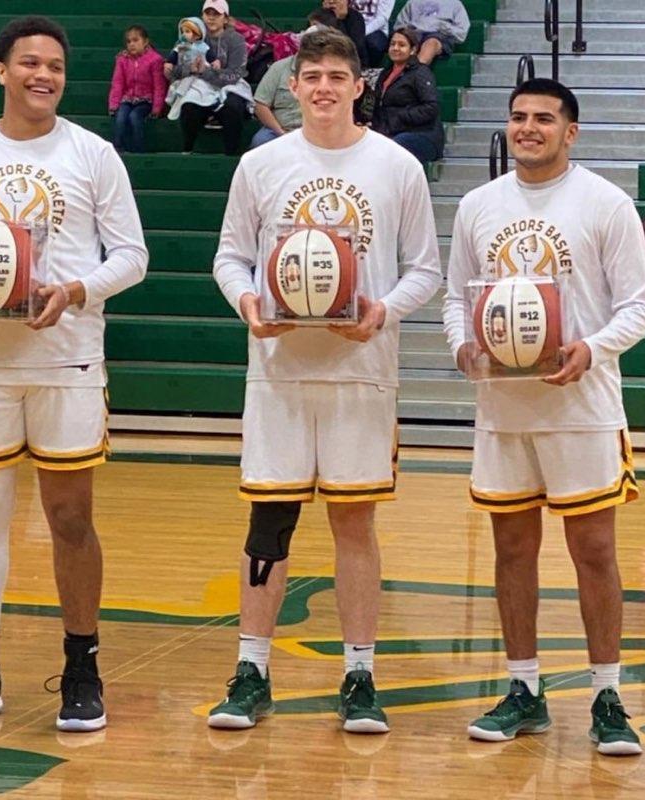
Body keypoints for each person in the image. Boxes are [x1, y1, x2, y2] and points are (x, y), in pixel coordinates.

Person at [0, 16, 148, 732]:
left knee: (70, 518)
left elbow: (132, 255)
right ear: (1, 72)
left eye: (55, 67)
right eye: (30, 63)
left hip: (66, 359)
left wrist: (74, 292)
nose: (44, 75)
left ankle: (82, 660)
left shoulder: (94, 153)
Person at [210, 28, 441, 733]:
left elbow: (425, 270)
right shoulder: (263, 164)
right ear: (295, 82)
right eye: (312, 76)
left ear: (359, 84)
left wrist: (381, 310)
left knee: (354, 522)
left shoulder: (396, 166)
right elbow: (230, 258)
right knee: (268, 522)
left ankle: (360, 673)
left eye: (338, 76)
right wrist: (248, 302)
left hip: (360, 375)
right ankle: (251, 670)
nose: (323, 88)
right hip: (279, 374)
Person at [442, 78, 645, 756]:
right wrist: (463, 346)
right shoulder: (478, 205)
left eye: (543, 118)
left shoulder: (606, 203)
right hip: (504, 409)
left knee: (594, 553)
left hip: (582, 408)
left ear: (571, 131)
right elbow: (454, 300)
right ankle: (524, 691)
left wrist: (591, 348)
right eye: (518, 117)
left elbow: (639, 308)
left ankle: (607, 695)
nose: (527, 128)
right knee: (512, 551)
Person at [166, 0, 252, 155]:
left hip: (229, 85)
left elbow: (234, 74)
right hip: (198, 84)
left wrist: (204, 72)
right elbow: (175, 73)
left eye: (216, 14)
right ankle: (188, 151)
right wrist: (187, 69)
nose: (211, 18)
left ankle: (231, 155)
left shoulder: (237, 40)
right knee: (189, 106)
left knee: (233, 107)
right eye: (208, 14)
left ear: (225, 18)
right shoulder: (188, 37)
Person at [249, 10, 335, 149]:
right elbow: (260, 104)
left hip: (317, 131)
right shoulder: (279, 67)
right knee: (260, 141)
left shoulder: (331, 72)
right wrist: (281, 132)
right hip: (279, 130)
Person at [371, 27, 444, 167]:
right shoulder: (385, 74)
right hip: (393, 131)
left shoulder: (421, 73)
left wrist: (399, 117)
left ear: (413, 50)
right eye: (392, 44)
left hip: (423, 135)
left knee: (390, 149)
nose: (395, 48)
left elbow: (431, 108)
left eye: (402, 45)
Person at [108, 25, 167, 153]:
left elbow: (159, 85)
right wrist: (113, 104)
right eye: (129, 42)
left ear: (145, 41)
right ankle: (117, 148)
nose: (132, 44)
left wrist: (157, 107)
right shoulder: (122, 60)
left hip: (146, 100)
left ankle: (138, 150)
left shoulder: (155, 60)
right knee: (121, 116)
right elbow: (118, 83)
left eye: (136, 40)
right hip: (128, 98)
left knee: (135, 117)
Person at [393, 0, 470, 65]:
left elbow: (462, 31)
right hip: (415, 32)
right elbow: (399, 26)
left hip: (439, 34)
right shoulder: (412, 2)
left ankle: (414, 73)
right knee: (403, 40)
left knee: (431, 42)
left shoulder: (455, 3)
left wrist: (443, 27)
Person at [322, 0, 368, 67]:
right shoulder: (317, 18)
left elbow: (354, 46)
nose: (331, 1)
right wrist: (329, 17)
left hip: (353, 63)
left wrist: (339, 20)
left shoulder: (356, 17)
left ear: (346, 1)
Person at [350, 0, 395, 67]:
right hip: (350, 25)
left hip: (376, 30)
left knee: (373, 44)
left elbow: (382, 18)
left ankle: (368, 70)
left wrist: (362, 32)